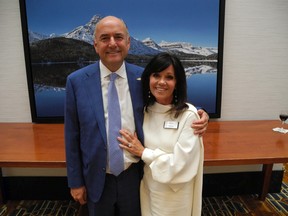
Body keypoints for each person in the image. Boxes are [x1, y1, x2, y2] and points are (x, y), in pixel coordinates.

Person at [65, 16, 208, 216]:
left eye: (118, 37)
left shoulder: (143, 78)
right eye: (105, 38)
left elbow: (167, 101)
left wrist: (199, 112)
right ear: (95, 45)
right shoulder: (76, 81)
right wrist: (75, 182)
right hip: (96, 179)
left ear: (128, 43)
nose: (112, 43)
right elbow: (72, 136)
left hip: (135, 177)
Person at [118, 53, 204, 216]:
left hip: (175, 195)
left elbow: (181, 165)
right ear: (148, 78)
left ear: (177, 82)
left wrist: (144, 152)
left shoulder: (189, 116)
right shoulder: (145, 111)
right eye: (156, 75)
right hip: (149, 190)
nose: (161, 82)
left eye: (169, 77)